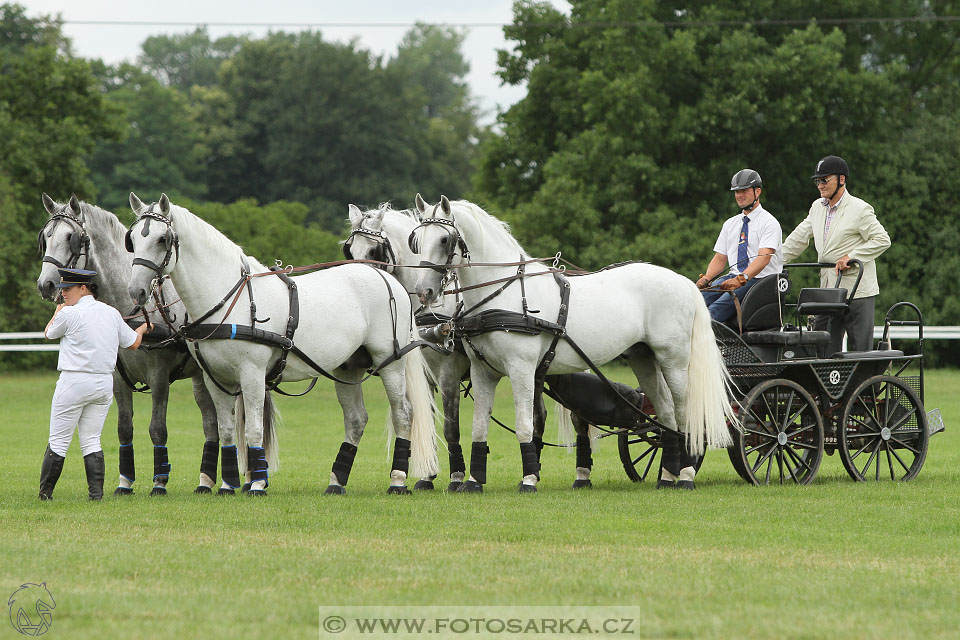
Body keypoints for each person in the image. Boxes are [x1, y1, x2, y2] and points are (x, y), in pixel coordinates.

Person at [39, 268, 151, 501]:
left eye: (67, 289)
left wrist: (58, 311)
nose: (64, 295)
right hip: (102, 383)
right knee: (91, 439)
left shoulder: (69, 313)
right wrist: (142, 328)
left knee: (59, 440)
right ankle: (96, 495)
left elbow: (49, 333)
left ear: (84, 288)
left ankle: (45, 493)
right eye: (62, 291)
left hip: (74, 381)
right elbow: (132, 343)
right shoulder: (111, 313)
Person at [781, 156, 890, 353]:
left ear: (842, 179)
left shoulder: (859, 209)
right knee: (822, 346)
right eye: (818, 181)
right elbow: (798, 239)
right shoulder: (817, 207)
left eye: (825, 180)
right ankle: (828, 384)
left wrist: (852, 256)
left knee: (859, 350)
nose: (820, 185)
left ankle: (862, 384)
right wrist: (772, 261)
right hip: (829, 289)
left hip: (857, 289)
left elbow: (882, 239)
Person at [697, 169, 783, 323]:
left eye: (744, 191)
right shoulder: (730, 223)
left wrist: (741, 278)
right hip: (734, 276)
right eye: (736, 191)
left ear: (758, 191)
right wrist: (706, 279)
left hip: (760, 280)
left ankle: (710, 345)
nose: (739, 195)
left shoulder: (769, 223)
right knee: (695, 302)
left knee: (713, 312)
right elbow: (720, 257)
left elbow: (764, 258)